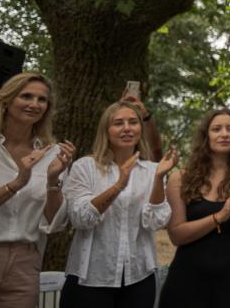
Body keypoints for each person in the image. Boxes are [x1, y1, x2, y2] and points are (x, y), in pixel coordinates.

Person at [61, 101, 179, 307]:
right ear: (106, 130)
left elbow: (155, 222)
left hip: (139, 277)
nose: (127, 128)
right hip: (91, 277)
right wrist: (118, 185)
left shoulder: (152, 170)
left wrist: (159, 177)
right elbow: (80, 218)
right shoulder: (85, 167)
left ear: (140, 129)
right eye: (118, 123)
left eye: (133, 122)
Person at [0, 72, 75, 307]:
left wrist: (53, 180)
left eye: (42, 100)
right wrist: (17, 183)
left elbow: (55, 223)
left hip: (26, 261)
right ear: (7, 101)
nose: (34, 104)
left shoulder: (54, 156)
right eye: (26, 96)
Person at [158, 108, 230, 308]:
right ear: (205, 135)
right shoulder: (181, 178)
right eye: (217, 129)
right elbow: (176, 235)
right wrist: (219, 216)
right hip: (186, 280)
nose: (225, 134)